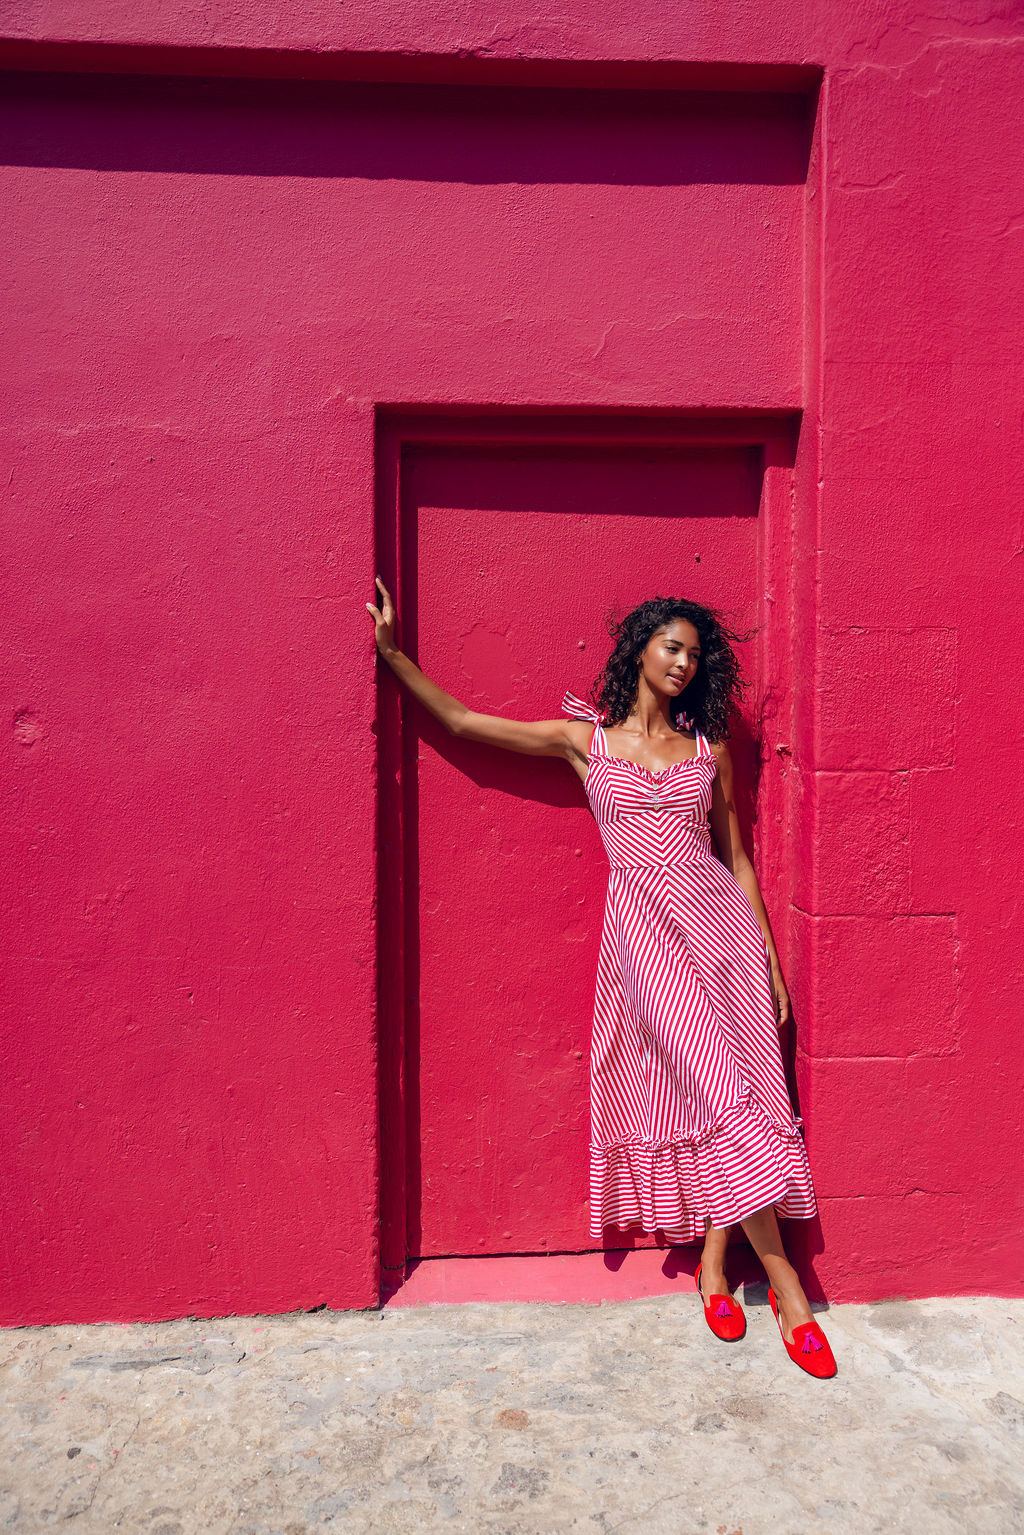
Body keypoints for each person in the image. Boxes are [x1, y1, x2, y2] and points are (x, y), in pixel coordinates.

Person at [366, 577, 836, 1378]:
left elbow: (738, 860)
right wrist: (392, 655)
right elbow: (463, 721)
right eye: (672, 646)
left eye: (696, 652)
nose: (685, 663)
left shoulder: (707, 749)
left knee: (732, 1095)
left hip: (721, 932)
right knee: (718, 1089)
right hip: (646, 939)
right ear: (641, 651)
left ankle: (716, 1268)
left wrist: (769, 957)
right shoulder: (584, 741)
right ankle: (788, 1280)